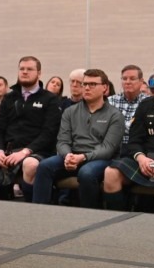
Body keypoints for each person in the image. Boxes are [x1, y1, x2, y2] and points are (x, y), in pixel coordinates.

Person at [0, 56, 61, 202]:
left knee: (31, 164)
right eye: (22, 69)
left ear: (39, 73)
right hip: (7, 151)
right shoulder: (9, 98)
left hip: (36, 151)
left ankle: (31, 209)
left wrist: (25, 152)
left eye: (29, 69)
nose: (24, 72)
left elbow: (49, 133)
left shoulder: (50, 99)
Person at [32, 69, 124, 208]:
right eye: (84, 84)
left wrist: (83, 157)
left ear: (105, 88)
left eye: (92, 84)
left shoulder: (115, 115)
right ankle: (39, 212)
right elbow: (63, 141)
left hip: (101, 159)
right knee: (44, 166)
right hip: (72, 156)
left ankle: (89, 215)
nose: (86, 88)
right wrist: (67, 155)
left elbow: (108, 149)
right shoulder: (70, 111)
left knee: (86, 173)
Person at [103, 62, 154, 215]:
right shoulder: (146, 105)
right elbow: (134, 140)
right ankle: (116, 221)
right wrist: (141, 158)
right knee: (111, 173)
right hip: (145, 161)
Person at [107, 65, 148, 154]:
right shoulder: (110, 101)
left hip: (138, 150)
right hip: (112, 149)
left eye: (132, 79)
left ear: (141, 81)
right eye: (124, 79)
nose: (128, 82)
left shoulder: (148, 103)